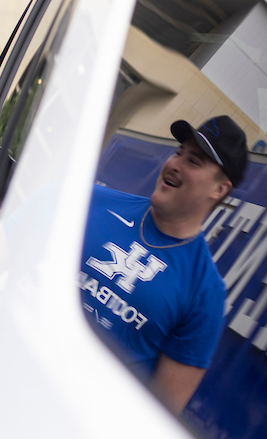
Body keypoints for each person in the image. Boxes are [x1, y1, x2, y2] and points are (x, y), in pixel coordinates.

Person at [78, 116, 248, 413]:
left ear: (219, 190)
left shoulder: (206, 293)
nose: (174, 164)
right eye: (179, 152)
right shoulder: (91, 200)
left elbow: (160, 412)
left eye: (193, 161)